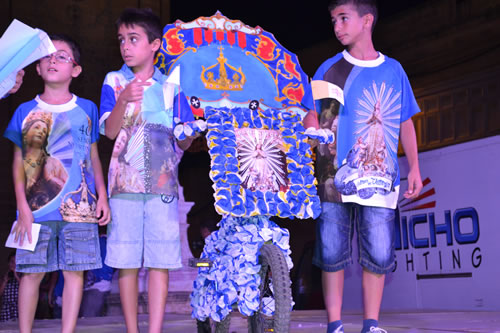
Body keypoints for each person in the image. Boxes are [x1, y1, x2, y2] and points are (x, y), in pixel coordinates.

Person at [303, 1, 423, 332]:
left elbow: (406, 122)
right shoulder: (328, 69)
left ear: (367, 20)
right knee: (331, 254)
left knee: (379, 255)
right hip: (333, 178)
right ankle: (335, 324)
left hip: (381, 179)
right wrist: (313, 127)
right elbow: (313, 115)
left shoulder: (394, 70)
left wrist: (414, 167)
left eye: (344, 18)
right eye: (333, 20)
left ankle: (371, 324)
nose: (337, 26)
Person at [4, 34, 111, 333]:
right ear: (37, 68)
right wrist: (22, 208)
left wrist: (102, 196)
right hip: (34, 212)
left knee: (75, 272)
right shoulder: (23, 111)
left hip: (80, 208)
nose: (53, 60)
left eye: (62, 56)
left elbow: (93, 158)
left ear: (75, 70)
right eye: (47, 55)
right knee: (31, 274)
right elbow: (18, 164)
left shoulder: (87, 108)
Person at [99, 8, 194, 333]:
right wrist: (124, 99)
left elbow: (182, 143)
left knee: (160, 260)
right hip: (123, 184)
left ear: (154, 44)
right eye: (122, 40)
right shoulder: (114, 81)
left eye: (134, 39)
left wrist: (191, 131)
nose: (126, 46)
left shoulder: (172, 87)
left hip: (162, 186)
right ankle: (132, 329)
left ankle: (154, 329)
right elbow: (110, 132)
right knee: (125, 262)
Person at [79, 227, 115, 317]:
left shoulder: (99, 242)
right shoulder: (110, 242)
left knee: (88, 319)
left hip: (96, 284)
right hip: (104, 282)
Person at [0, 253, 21, 322]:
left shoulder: (23, 277)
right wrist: (4, 282)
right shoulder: (3, 277)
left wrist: (16, 276)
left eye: (16, 262)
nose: (14, 264)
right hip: (6, 310)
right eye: (12, 262)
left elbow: (28, 290)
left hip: (20, 309)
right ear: (9, 263)